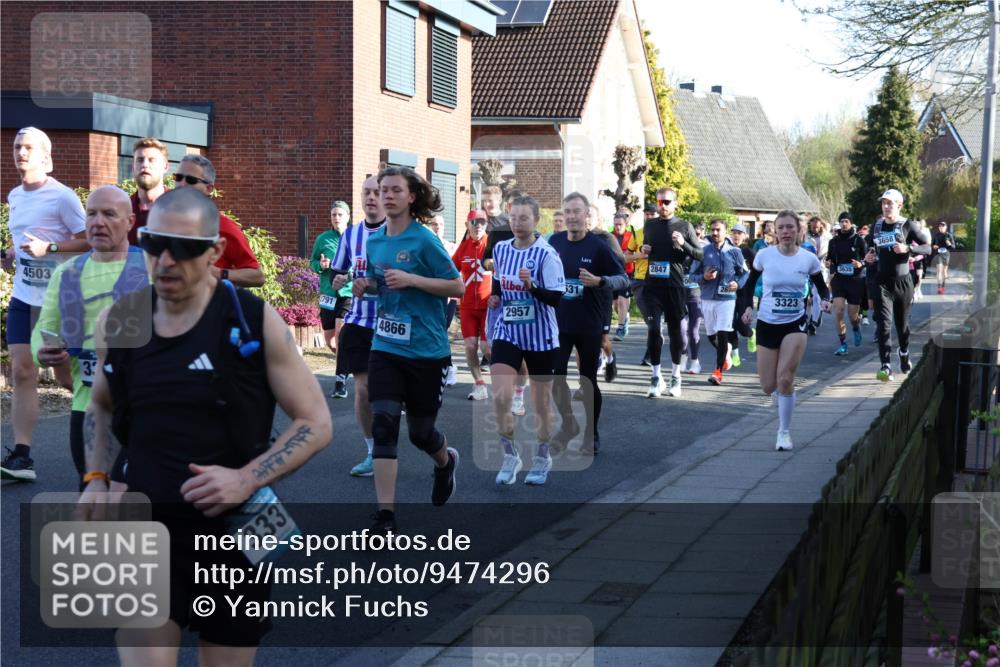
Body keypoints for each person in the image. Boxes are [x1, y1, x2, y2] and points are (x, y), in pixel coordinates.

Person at [77, 187, 332, 661]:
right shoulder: (119, 321)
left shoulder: (254, 322)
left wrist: (245, 478)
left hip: (237, 527)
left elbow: (316, 423)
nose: (167, 260)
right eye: (155, 244)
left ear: (216, 252)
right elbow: (100, 406)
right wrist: (95, 477)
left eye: (187, 247)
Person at [352, 166, 463, 533]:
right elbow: (382, 285)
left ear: (411, 196)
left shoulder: (424, 240)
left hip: (427, 351)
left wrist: (413, 279)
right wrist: (366, 285)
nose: (386, 195)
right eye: (382, 189)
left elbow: (457, 287)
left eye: (395, 190)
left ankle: (445, 461)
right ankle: (385, 517)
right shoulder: (375, 241)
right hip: (385, 345)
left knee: (420, 434)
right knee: (383, 424)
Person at [31, 186, 147, 485]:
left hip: (147, 407)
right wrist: (42, 351)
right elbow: (46, 327)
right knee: (95, 500)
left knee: (145, 505)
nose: (98, 222)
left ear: (130, 221)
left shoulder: (152, 267)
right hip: (88, 407)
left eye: (109, 214)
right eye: (92, 214)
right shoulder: (66, 273)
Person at [1, 127, 88, 481]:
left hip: (59, 300)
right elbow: (22, 237)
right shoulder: (15, 196)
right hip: (24, 296)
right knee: (23, 370)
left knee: (68, 377)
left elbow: (88, 242)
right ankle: (22, 456)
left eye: (28, 147)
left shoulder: (63, 197)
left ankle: (111, 412)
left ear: (44, 156)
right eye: (17, 146)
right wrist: (12, 252)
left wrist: (50, 249)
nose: (21, 152)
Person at [488, 194, 564, 486]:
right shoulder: (502, 248)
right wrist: (496, 295)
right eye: (513, 217)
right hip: (508, 330)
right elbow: (500, 280)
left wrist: (532, 286)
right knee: (499, 396)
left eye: (524, 218)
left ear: (536, 220)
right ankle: (510, 454)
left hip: (541, 336)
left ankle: (543, 456)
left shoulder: (546, 255)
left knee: (541, 404)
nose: (517, 223)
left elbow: (557, 298)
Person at [741, 210, 832, 450]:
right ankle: (782, 397)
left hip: (795, 323)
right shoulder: (764, 256)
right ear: (774, 231)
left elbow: (822, 287)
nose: (785, 232)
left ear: (798, 230)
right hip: (767, 323)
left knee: (785, 379)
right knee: (767, 386)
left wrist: (825, 300)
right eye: (780, 228)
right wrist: (748, 307)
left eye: (790, 227)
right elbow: (749, 285)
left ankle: (784, 432)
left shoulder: (808, 259)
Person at [549, 194, 628, 454]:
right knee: (556, 379)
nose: (571, 216)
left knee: (587, 380)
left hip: (589, 323)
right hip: (560, 321)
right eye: (567, 211)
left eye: (577, 212)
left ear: (586, 216)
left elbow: (623, 280)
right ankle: (569, 424)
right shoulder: (555, 241)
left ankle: (591, 433)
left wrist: (600, 281)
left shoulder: (598, 246)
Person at [329, 176, 387, 475]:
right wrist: (338, 279)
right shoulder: (350, 235)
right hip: (358, 322)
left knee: (391, 396)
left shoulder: (400, 233)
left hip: (392, 324)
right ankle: (373, 453)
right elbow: (337, 273)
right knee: (363, 392)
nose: (371, 198)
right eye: (366, 192)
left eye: (377, 192)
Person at [637, 186, 703, 398]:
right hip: (653, 286)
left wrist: (683, 244)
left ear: (675, 203)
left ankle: (676, 377)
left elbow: (700, 255)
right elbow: (647, 248)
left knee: (676, 333)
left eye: (667, 202)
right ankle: (656, 377)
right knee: (654, 330)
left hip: (674, 287)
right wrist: (645, 250)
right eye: (660, 202)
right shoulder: (650, 225)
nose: (663, 206)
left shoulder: (684, 225)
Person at [864, 189, 932, 381]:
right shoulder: (877, 226)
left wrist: (908, 248)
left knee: (902, 326)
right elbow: (872, 248)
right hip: (882, 282)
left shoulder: (908, 225)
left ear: (899, 205)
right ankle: (885, 365)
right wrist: (869, 256)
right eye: (883, 203)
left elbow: (927, 247)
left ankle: (904, 352)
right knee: (884, 325)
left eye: (890, 203)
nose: (886, 207)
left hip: (903, 282)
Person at [172, 154, 264, 288]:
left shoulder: (223, 226)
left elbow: (257, 276)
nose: (182, 184)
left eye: (191, 180)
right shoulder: (164, 221)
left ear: (208, 189)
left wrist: (219, 273)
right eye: (178, 177)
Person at [689, 219, 748, 385]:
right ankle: (727, 350)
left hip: (727, 299)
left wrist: (738, 283)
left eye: (718, 230)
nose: (715, 233)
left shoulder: (735, 252)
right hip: (707, 298)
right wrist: (704, 277)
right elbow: (692, 275)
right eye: (713, 230)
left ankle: (717, 372)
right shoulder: (703, 251)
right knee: (711, 336)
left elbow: (745, 273)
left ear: (725, 232)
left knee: (723, 333)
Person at [453, 210, 492, 400]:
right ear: (467, 224)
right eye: (474, 222)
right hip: (468, 306)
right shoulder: (464, 247)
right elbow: (451, 270)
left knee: (487, 349)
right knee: (469, 346)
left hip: (488, 306)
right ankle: (480, 385)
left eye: (482, 222)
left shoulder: (492, 244)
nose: (478, 225)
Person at [311, 200, 354, 373]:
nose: (336, 218)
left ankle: (340, 377)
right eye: (333, 214)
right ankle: (347, 361)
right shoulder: (323, 239)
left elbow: (362, 262)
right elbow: (312, 261)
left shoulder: (353, 237)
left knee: (340, 333)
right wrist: (321, 265)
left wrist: (347, 274)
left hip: (347, 291)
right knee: (330, 339)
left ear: (348, 217)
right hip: (328, 293)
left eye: (340, 214)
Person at [826, 212, 867, 356]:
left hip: (855, 281)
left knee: (853, 317)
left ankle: (856, 327)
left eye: (846, 221)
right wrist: (828, 264)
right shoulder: (834, 241)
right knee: (838, 311)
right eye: (842, 221)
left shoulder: (859, 240)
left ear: (851, 223)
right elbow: (830, 260)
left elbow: (868, 259)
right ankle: (843, 344)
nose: (844, 224)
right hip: (839, 280)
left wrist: (860, 264)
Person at [428, 213, 460, 386]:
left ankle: (448, 368)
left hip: (448, 296)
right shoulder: (425, 245)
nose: (437, 226)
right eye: (434, 224)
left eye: (440, 224)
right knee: (434, 333)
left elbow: (456, 273)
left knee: (441, 332)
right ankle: (443, 367)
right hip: (431, 296)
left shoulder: (452, 247)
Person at [127, 137, 171, 245]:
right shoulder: (123, 209)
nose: (145, 165)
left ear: (165, 167)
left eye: (152, 160)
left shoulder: (179, 208)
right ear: (133, 167)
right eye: (140, 160)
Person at [679, 220, 708, 375]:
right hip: (679, 293)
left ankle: (695, 361)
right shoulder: (677, 246)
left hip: (696, 293)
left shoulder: (703, 247)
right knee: (681, 330)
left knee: (693, 330)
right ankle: (683, 356)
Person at [610, 210, 635, 341]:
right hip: (613, 273)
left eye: (620, 224)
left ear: (626, 224)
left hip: (628, 273)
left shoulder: (632, 236)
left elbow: (636, 254)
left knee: (621, 301)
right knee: (615, 304)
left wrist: (628, 257)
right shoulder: (609, 236)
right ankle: (625, 317)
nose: (617, 227)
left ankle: (620, 328)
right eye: (615, 224)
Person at [930, 220, 955, 294]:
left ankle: (943, 287)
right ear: (939, 227)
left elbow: (953, 247)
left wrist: (949, 244)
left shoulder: (949, 235)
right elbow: (932, 245)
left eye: (943, 226)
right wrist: (933, 246)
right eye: (940, 226)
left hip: (946, 254)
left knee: (944, 272)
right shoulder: (936, 235)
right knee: (939, 270)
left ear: (946, 227)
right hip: (938, 254)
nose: (941, 227)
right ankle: (939, 287)